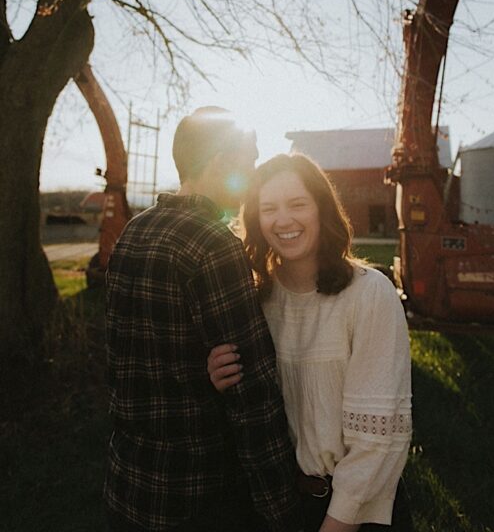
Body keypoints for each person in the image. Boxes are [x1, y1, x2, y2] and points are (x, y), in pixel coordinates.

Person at [104, 107, 304, 532]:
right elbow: (253, 396)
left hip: (129, 485)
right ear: (218, 162)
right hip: (199, 496)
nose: (252, 172)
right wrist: (282, 507)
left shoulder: (133, 232)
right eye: (248, 160)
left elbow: (125, 363)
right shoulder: (213, 245)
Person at [207, 153, 413, 532]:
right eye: (268, 208)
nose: (283, 220)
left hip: (354, 512)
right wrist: (217, 377)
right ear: (255, 219)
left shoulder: (369, 295)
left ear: (323, 210)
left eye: (297, 204)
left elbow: (377, 439)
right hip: (276, 505)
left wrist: (338, 522)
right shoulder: (255, 300)